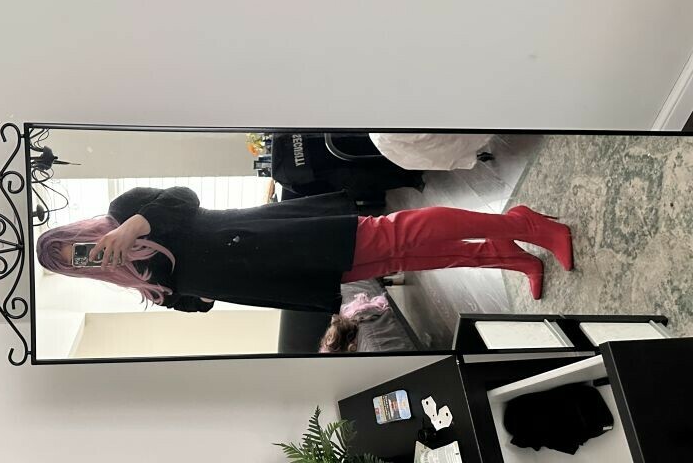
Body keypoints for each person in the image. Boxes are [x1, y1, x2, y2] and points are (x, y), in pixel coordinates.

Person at [35, 186, 573, 312]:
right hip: (281, 276)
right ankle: (510, 255)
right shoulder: (141, 278)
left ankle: (519, 224)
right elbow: (200, 304)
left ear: (79, 231)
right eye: (75, 263)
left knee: (398, 233)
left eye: (73, 247)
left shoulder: (127, 210)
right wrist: (157, 290)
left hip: (284, 236)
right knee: (402, 258)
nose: (85, 255)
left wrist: (132, 227)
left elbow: (184, 199)